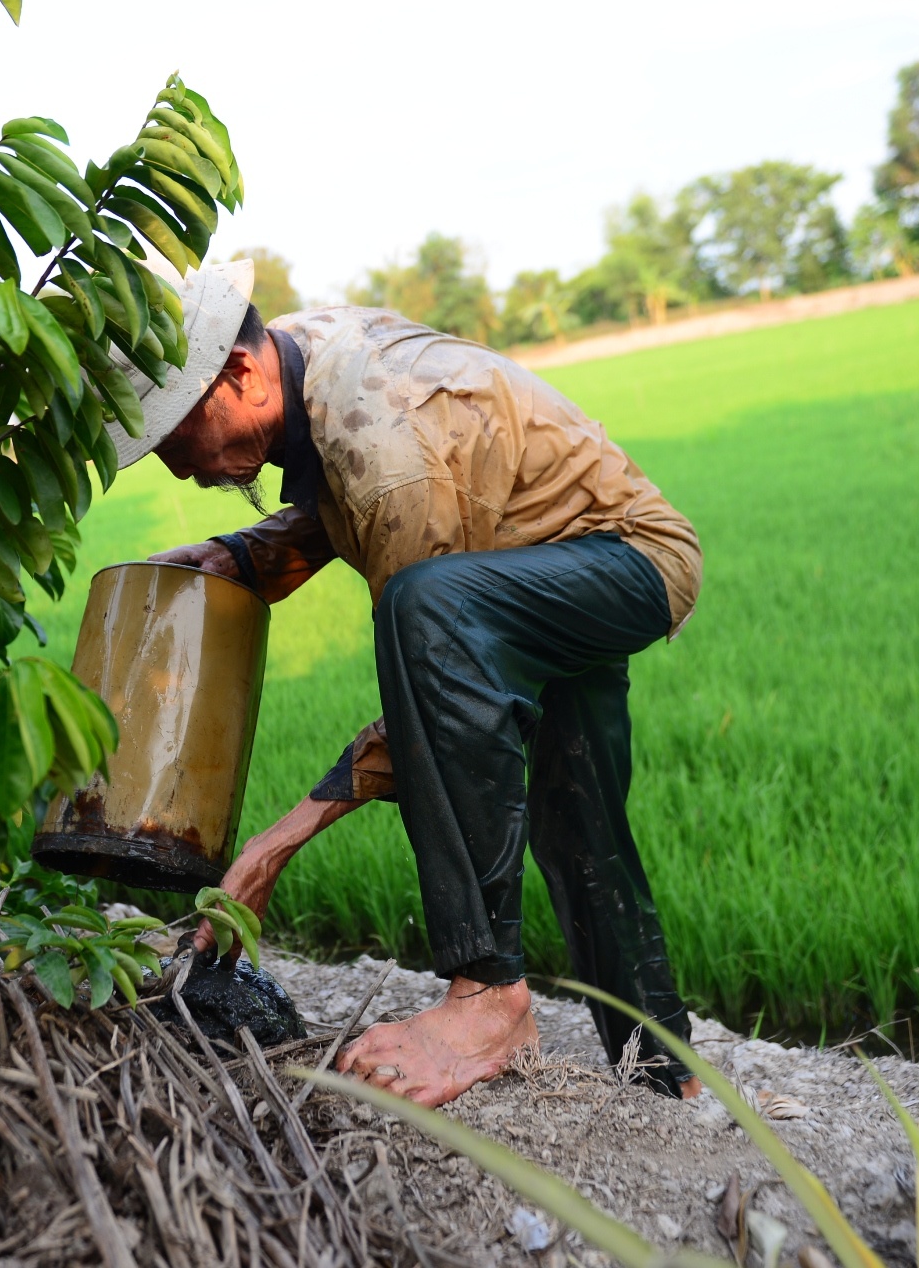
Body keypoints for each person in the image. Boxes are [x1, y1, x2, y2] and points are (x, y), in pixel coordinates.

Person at [120, 260, 703, 1107]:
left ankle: (488, 998)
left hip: (627, 560)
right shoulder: (300, 354)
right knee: (579, 815)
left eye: (177, 438)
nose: (180, 470)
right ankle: (667, 1075)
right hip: (541, 556)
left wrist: (274, 843)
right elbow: (334, 497)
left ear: (239, 375)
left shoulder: (381, 443)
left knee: (425, 614)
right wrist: (241, 556)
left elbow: (430, 693)